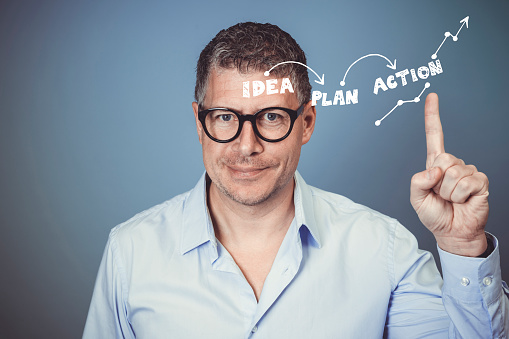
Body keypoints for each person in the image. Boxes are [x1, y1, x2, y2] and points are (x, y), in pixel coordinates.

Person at [83, 22, 508, 338]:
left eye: (271, 117)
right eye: (225, 117)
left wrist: (463, 248)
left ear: (306, 122)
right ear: (199, 122)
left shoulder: (383, 248)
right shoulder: (131, 253)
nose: (246, 146)